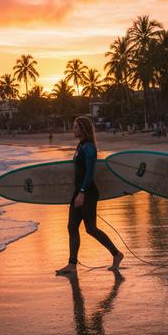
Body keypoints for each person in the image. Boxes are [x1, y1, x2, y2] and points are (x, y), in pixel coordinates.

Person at [56, 116, 124, 275]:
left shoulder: (89, 148)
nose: (73, 129)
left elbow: (89, 173)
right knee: (72, 227)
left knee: (91, 229)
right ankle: (72, 264)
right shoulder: (80, 146)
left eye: (75, 127)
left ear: (83, 129)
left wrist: (82, 193)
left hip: (87, 193)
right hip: (79, 192)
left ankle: (117, 254)